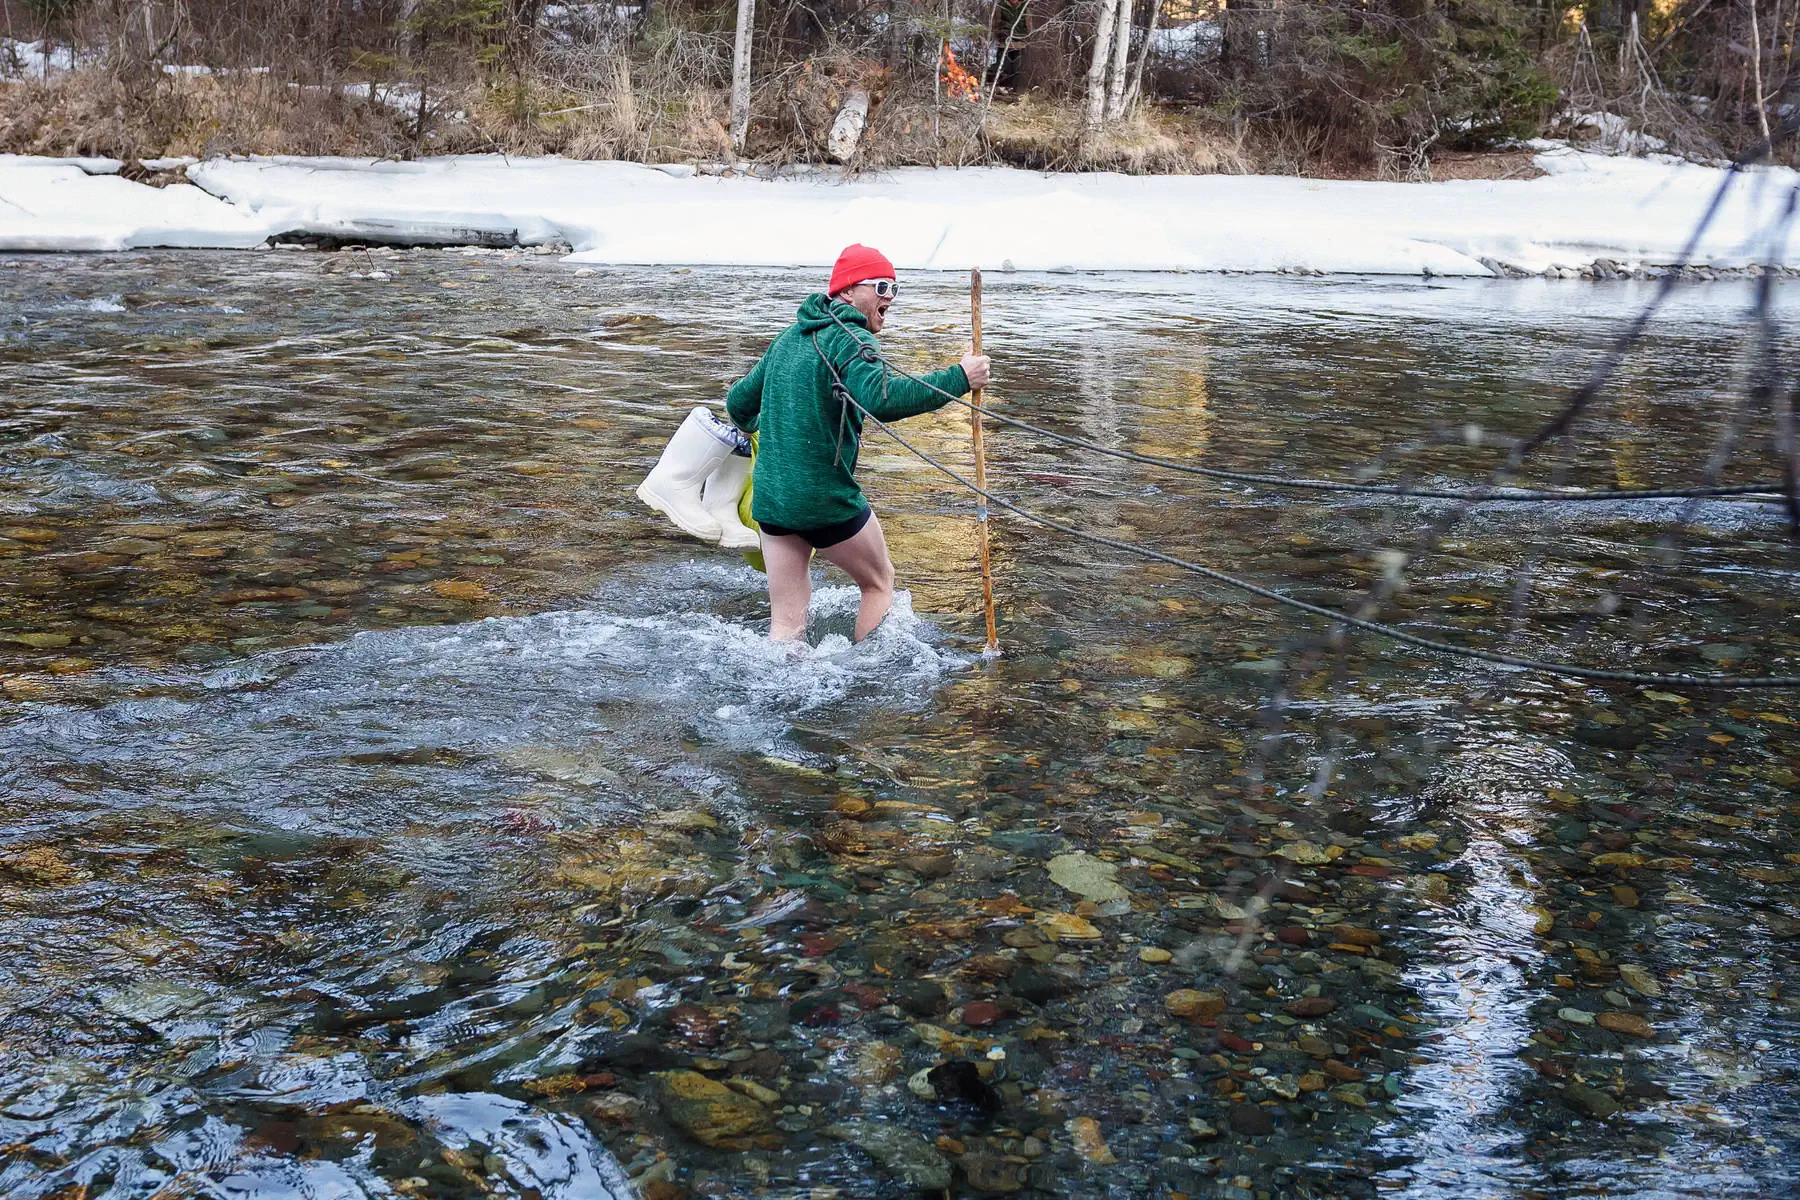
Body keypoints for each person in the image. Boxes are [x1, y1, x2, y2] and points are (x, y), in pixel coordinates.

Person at [725, 244, 991, 643]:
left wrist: (775, 429)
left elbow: (738, 404)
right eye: (881, 287)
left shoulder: (788, 338)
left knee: (786, 622)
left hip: (774, 499)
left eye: (894, 289)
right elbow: (882, 399)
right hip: (823, 498)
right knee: (879, 582)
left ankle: (781, 694)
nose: (889, 298)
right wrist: (959, 378)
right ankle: (868, 682)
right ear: (848, 292)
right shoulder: (851, 338)